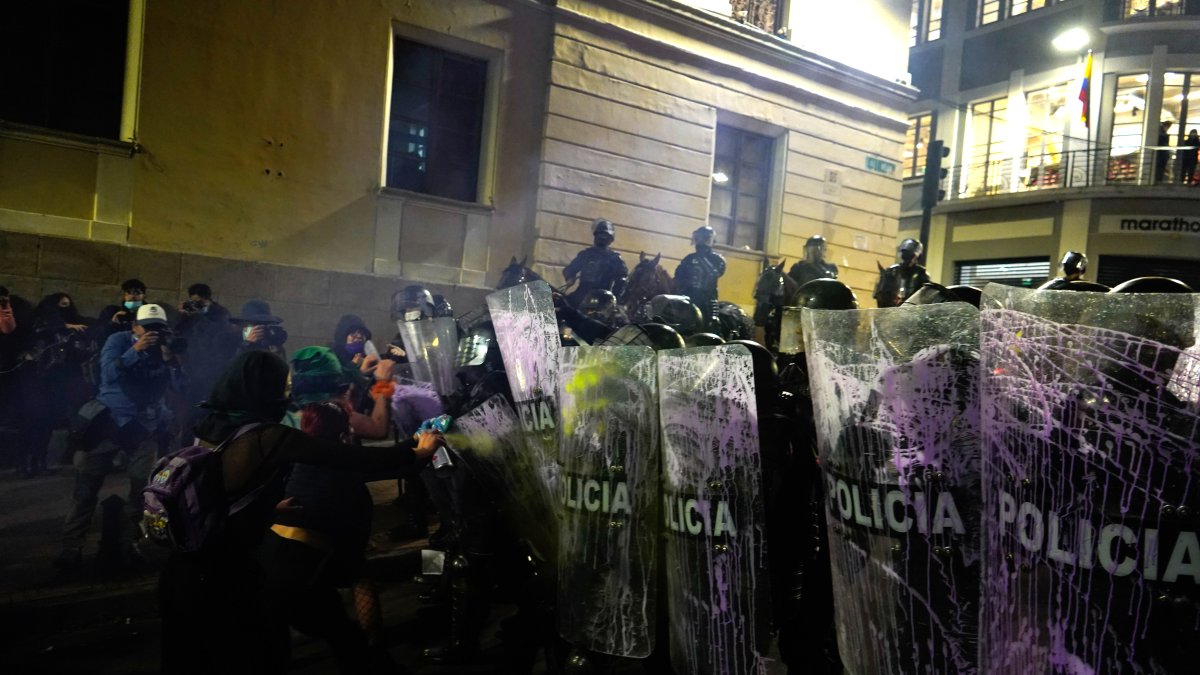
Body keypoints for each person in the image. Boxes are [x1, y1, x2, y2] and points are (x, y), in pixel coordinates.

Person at [158, 350, 443, 674]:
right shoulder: (267, 436)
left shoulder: (209, 426)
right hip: (227, 577)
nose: (287, 394)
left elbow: (216, 492)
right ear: (265, 390)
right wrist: (417, 452)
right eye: (282, 386)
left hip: (183, 569)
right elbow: (353, 458)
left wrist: (264, 507)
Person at [54, 304, 185, 571]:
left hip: (145, 427)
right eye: (147, 328)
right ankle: (71, 547)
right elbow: (108, 374)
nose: (153, 334)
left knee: (141, 490)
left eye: (158, 329)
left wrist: (171, 360)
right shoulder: (119, 340)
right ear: (135, 327)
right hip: (107, 423)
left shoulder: (165, 348)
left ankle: (129, 542)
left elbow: (181, 387)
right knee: (85, 489)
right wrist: (135, 350)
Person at [21, 293, 95, 476]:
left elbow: (82, 352)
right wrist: (65, 327)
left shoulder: (72, 329)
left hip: (59, 380)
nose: (65, 309)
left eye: (67, 305)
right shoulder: (42, 324)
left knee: (48, 422)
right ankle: (27, 462)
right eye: (61, 305)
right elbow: (39, 333)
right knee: (35, 420)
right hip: (39, 379)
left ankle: (40, 460)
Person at [175, 283, 237, 435]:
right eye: (194, 302)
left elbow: (221, 337)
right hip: (192, 369)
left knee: (209, 411)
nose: (196, 306)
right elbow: (178, 335)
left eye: (200, 303)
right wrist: (182, 316)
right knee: (189, 413)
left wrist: (200, 317)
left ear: (208, 300)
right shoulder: (190, 314)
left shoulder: (221, 314)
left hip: (213, 371)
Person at [563, 219, 628, 309]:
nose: (602, 238)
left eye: (605, 236)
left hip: (602, 297)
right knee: (562, 305)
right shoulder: (586, 254)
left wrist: (614, 299)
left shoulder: (614, 259)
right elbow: (570, 269)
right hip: (582, 294)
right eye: (600, 235)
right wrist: (570, 277)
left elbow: (621, 280)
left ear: (610, 239)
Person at [674, 225, 727, 327]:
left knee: (712, 322)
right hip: (687, 294)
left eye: (704, 238)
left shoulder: (717, 259)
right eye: (699, 237)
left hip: (707, 297)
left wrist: (701, 257)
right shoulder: (689, 258)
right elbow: (678, 276)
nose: (700, 241)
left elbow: (714, 274)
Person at [875, 238, 930, 307]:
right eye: (906, 255)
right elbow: (880, 296)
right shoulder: (892, 271)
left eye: (910, 256)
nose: (908, 260)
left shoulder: (921, 273)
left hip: (912, 310)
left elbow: (926, 298)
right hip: (891, 310)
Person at [95, 278, 148, 343]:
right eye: (129, 292)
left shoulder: (149, 314)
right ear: (124, 295)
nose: (132, 296)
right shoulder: (111, 311)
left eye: (137, 292)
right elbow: (97, 335)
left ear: (144, 295)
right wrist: (112, 323)